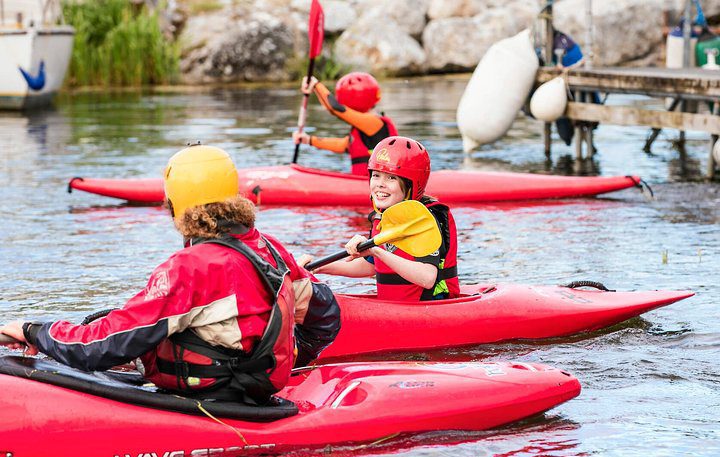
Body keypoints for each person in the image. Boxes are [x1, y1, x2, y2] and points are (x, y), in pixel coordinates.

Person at [0, 144, 341, 405]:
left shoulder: (190, 268)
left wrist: (33, 330)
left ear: (176, 204)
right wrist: (283, 364)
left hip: (213, 402)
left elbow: (99, 348)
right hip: (251, 393)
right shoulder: (272, 248)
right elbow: (325, 314)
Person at [300, 136, 459, 302]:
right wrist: (318, 268)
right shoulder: (383, 215)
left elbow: (427, 278)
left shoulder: (424, 220)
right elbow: (370, 266)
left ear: (411, 185)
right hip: (395, 306)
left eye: (391, 178)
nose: (380, 184)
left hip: (429, 306)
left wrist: (377, 250)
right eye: (376, 175)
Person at [292, 72, 398, 176]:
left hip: (375, 186)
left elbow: (335, 109)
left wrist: (316, 84)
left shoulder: (374, 123)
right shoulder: (364, 126)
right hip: (362, 182)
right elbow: (342, 145)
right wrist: (308, 140)